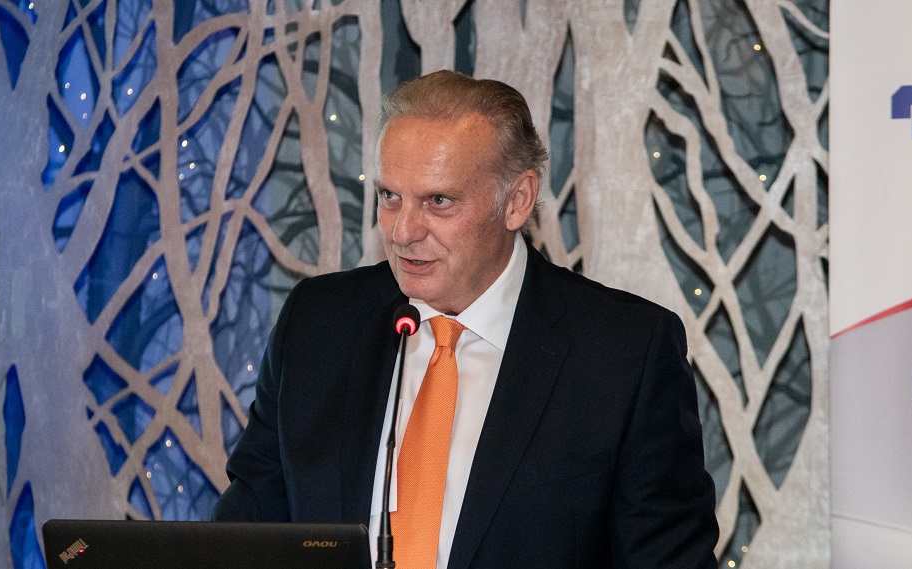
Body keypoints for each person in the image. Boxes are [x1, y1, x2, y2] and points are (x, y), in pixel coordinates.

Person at [213, 70, 719, 568]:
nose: (403, 232)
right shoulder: (317, 326)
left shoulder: (624, 355)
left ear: (517, 201)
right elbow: (242, 544)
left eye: (439, 201)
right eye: (390, 196)